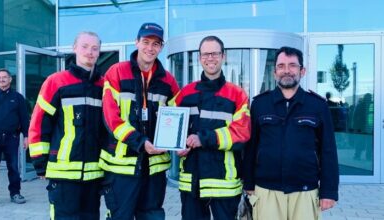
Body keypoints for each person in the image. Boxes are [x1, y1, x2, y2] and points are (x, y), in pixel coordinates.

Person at [243, 46, 339, 220]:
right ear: (274, 72)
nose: (286, 70)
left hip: (305, 191)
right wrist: (248, 182)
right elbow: (251, 146)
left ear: (302, 71)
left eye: (292, 65)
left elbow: (328, 150)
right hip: (266, 191)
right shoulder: (260, 104)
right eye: (281, 66)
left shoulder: (318, 106)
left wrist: (329, 191)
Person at [98, 22, 179, 220]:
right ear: (136, 42)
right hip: (121, 167)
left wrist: (179, 141)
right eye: (146, 42)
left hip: (155, 168)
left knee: (152, 216)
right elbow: (111, 118)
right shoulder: (116, 72)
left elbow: (178, 115)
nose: (150, 48)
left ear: (161, 47)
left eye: (156, 44)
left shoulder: (168, 80)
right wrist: (140, 142)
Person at [170, 36, 251, 219]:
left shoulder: (237, 94)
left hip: (224, 185)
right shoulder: (185, 93)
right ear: (199, 58)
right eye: (206, 54)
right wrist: (177, 145)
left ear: (223, 56)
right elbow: (174, 129)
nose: (210, 58)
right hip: (191, 182)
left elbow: (241, 133)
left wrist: (203, 139)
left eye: (215, 53)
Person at [28, 31, 106, 219]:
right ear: (74, 48)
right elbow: (39, 122)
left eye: (95, 48)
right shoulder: (56, 81)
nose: (90, 52)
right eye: (85, 47)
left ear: (99, 52)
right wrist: (39, 161)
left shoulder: (104, 86)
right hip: (63, 174)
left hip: (94, 175)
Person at [0, 68, 29, 205]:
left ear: (10, 79)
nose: (1, 79)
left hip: (12, 138)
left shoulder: (18, 97)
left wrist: (26, 136)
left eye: (4, 77)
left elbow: (24, 118)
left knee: (13, 167)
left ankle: (15, 193)